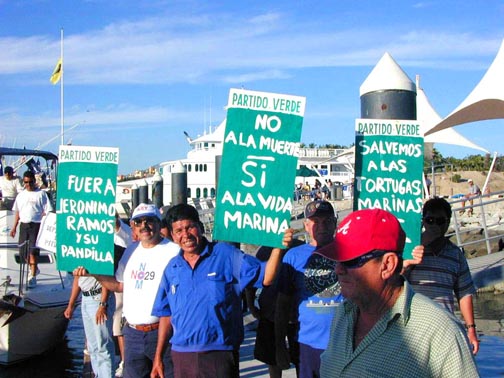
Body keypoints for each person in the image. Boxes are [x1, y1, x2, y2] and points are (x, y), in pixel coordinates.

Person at [319, 208, 479, 377]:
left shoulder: (439, 331)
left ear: (388, 265)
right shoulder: (342, 314)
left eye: (350, 261)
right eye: (336, 259)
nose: (338, 269)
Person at [150, 203, 288, 378]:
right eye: (179, 231)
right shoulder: (172, 268)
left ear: (200, 227)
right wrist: (158, 357)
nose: (185, 235)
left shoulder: (226, 254)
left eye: (190, 227)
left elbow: (266, 277)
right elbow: (166, 315)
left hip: (220, 354)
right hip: (182, 356)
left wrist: (278, 249)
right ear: (172, 235)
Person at [74, 203, 179, 378]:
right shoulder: (131, 251)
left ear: (159, 223)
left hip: (162, 334)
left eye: (149, 220)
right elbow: (119, 285)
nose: (144, 226)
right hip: (132, 334)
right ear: (133, 227)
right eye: (138, 222)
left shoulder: (174, 251)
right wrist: (94, 273)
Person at [275, 200, 343, 378]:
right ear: (306, 225)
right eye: (316, 222)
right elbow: (282, 303)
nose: (322, 226)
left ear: (335, 223)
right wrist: (279, 344)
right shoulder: (292, 256)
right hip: (307, 344)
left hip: (344, 343)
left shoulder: (348, 253)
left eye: (327, 221)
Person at [404, 197, 480, 354]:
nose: (434, 225)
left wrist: (471, 329)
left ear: (448, 222)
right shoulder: (410, 251)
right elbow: (395, 282)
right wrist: (410, 258)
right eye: (430, 220)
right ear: (423, 221)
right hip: (413, 329)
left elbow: (464, 292)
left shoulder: (456, 254)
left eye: (440, 221)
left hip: (445, 328)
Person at [245, 240, 305, 378]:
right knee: (272, 359)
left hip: (296, 315)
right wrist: (251, 305)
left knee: (300, 360)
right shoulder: (263, 250)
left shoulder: (299, 247)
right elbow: (252, 281)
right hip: (269, 312)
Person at [64, 276, 115, 378]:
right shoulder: (80, 260)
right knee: (92, 347)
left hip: (98, 297)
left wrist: (102, 304)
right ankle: (98, 375)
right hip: (85, 298)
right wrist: (71, 304)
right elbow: (77, 279)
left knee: (103, 346)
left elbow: (106, 275)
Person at [10, 170, 53, 288]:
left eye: (30, 182)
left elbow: (48, 210)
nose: (28, 184)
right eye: (25, 182)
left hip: (36, 225)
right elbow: (17, 212)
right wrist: (14, 227)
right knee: (23, 253)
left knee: (33, 252)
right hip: (23, 225)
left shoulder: (41, 194)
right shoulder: (21, 195)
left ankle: (32, 277)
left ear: (34, 181)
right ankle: (35, 268)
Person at [113, 214, 133, 377]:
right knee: (118, 323)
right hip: (114, 281)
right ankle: (124, 360)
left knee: (125, 323)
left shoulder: (125, 232)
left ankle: (126, 360)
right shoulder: (100, 233)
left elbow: (118, 228)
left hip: (128, 283)